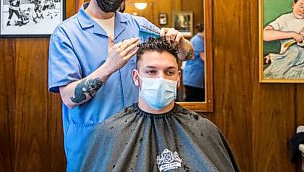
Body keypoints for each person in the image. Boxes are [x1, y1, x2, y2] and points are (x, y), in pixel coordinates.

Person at [48, 0, 194, 172]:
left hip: (137, 140)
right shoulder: (66, 33)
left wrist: (181, 42)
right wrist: (109, 66)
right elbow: (69, 97)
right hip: (91, 143)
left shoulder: (137, 26)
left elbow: (185, 54)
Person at [79, 37, 240, 172]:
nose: (160, 79)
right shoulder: (108, 132)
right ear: (136, 77)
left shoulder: (204, 130)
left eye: (169, 72)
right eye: (151, 71)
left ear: (178, 78)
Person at [183, 23, 205, 101]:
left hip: (196, 77)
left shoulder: (201, 40)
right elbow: (204, 57)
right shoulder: (197, 40)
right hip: (193, 77)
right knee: (192, 100)